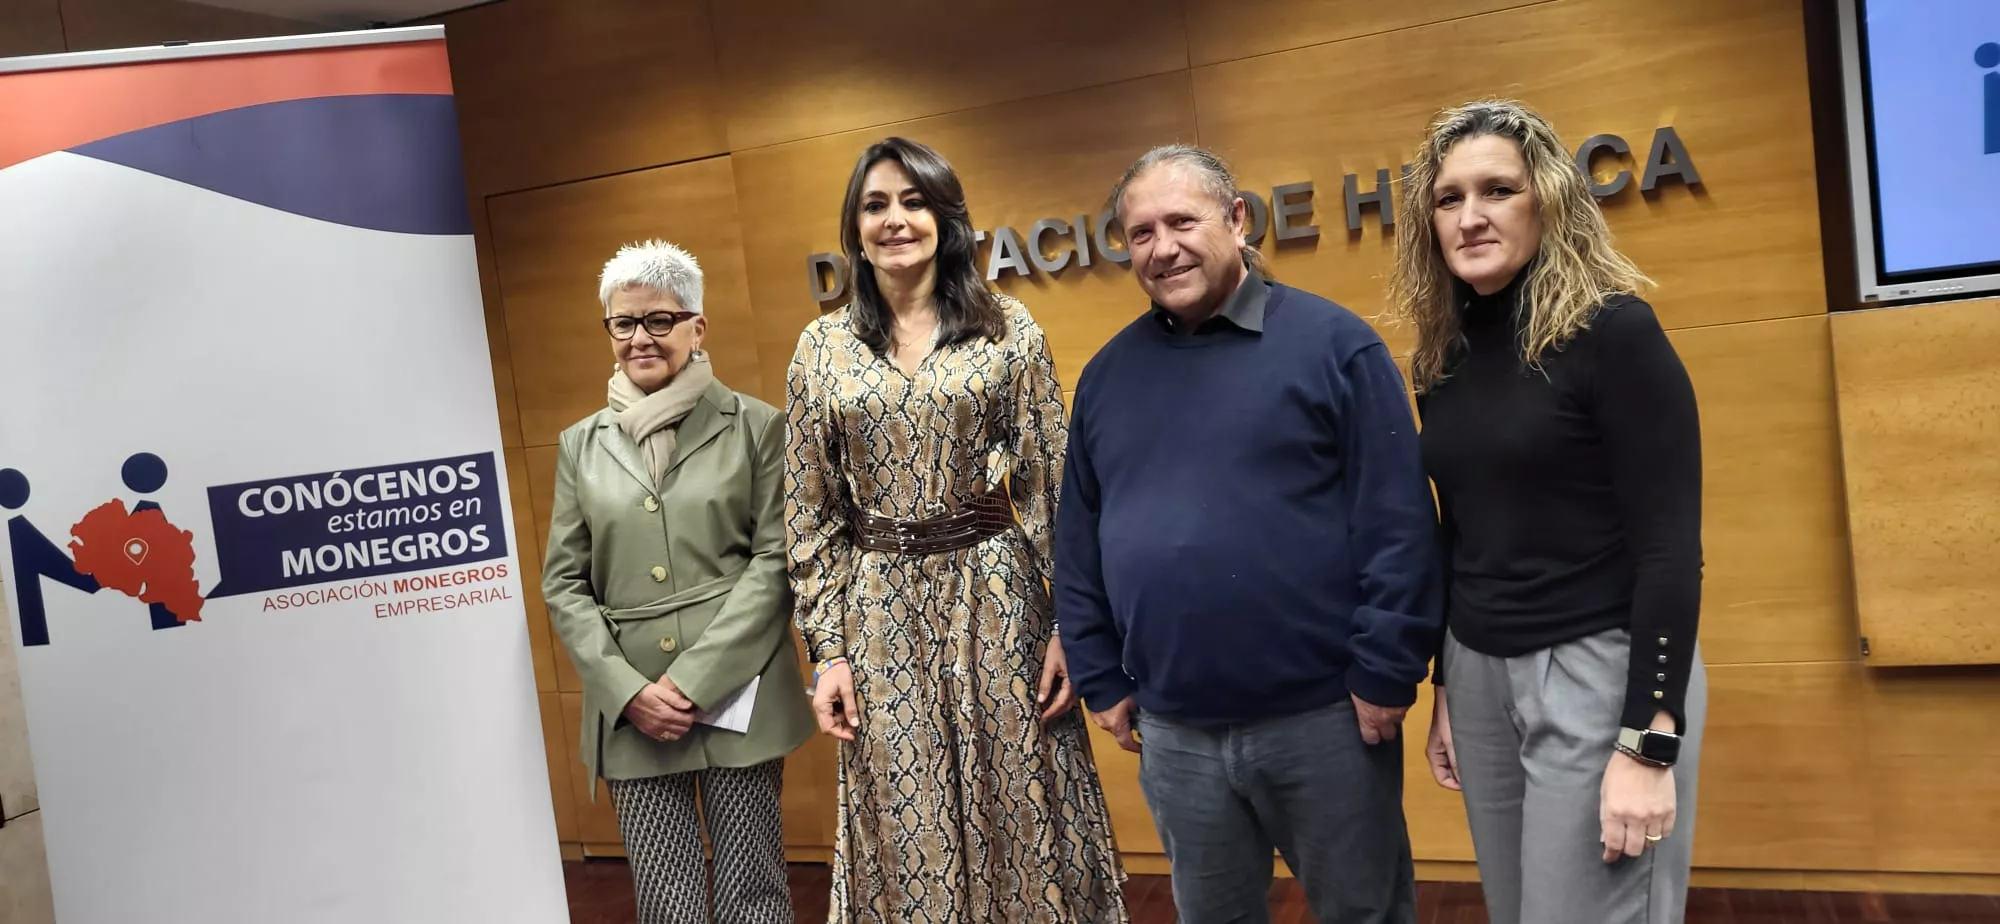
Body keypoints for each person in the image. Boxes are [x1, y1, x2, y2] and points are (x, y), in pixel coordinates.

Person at [1055, 143, 1442, 924]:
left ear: (1236, 219)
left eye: (1181, 221)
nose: (1162, 247)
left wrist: (1385, 671)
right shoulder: (1105, 377)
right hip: (1174, 731)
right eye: (1139, 233)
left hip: (1327, 718)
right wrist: (1101, 675)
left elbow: (1399, 523)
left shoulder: (1336, 347)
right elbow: (1080, 539)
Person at [785, 136, 1130, 924]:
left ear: (947, 216)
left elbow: (1055, 483)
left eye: (913, 201)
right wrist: (828, 651)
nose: (895, 220)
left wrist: (1074, 626)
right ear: (854, 225)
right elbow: (808, 515)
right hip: (880, 615)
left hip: (998, 595)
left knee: (1026, 800)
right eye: (876, 205)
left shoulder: (1008, 326)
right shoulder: (820, 349)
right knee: (906, 823)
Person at [1391, 99, 1706, 924]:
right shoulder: (1442, 359)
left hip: (1600, 672)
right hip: (1478, 670)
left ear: (1550, 201)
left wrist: (1649, 740)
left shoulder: (1616, 334)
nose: (1470, 216)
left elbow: (1671, 551)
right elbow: (1463, 530)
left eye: (1497, 190)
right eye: (1448, 198)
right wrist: (1447, 689)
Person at [544, 239, 815, 924]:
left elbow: (775, 560)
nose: (641, 337)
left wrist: (694, 681)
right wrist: (626, 690)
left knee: (753, 891)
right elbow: (564, 585)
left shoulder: (756, 427)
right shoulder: (580, 444)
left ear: (698, 326)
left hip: (739, 692)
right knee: (667, 901)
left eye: (660, 320)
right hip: (630, 705)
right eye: (624, 323)